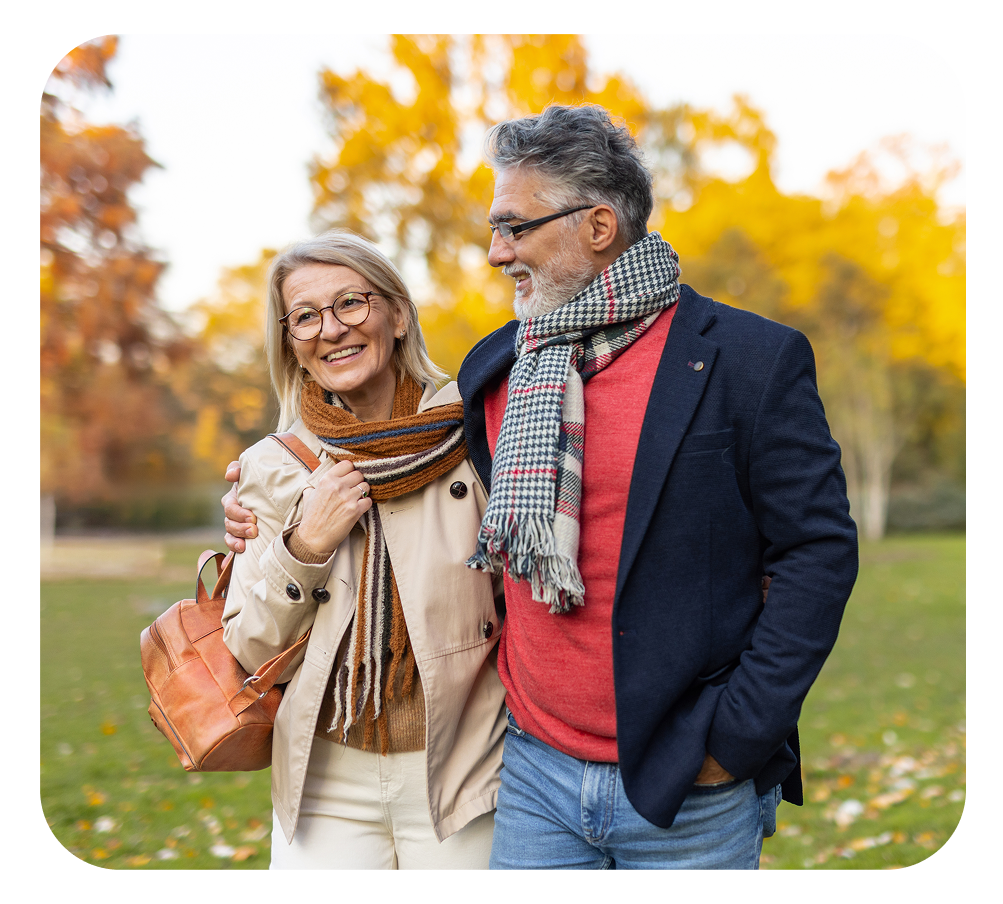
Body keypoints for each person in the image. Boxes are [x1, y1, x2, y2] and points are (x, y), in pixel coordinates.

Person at [225, 104, 858, 870]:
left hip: (688, 779)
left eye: (514, 227)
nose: (495, 253)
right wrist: (275, 528)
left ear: (597, 226)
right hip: (529, 773)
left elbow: (816, 554)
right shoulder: (500, 369)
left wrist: (736, 738)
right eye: (495, 231)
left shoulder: (750, 360)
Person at [219, 229, 505, 870]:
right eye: (306, 317)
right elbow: (249, 646)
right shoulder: (273, 467)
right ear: (291, 345)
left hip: (465, 762)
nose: (331, 329)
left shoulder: (479, 430)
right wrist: (303, 545)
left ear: (397, 314)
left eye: (352, 302)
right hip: (324, 778)